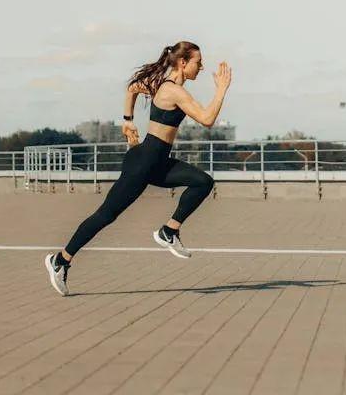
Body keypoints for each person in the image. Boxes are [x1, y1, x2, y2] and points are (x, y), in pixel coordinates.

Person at [44, 41, 232, 296]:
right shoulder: (173, 91)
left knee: (203, 182)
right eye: (198, 62)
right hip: (142, 165)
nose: (201, 67)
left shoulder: (161, 84)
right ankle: (60, 260)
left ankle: (169, 231)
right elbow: (207, 119)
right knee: (105, 216)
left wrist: (128, 120)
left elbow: (133, 88)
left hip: (158, 163)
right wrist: (221, 90)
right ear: (182, 62)